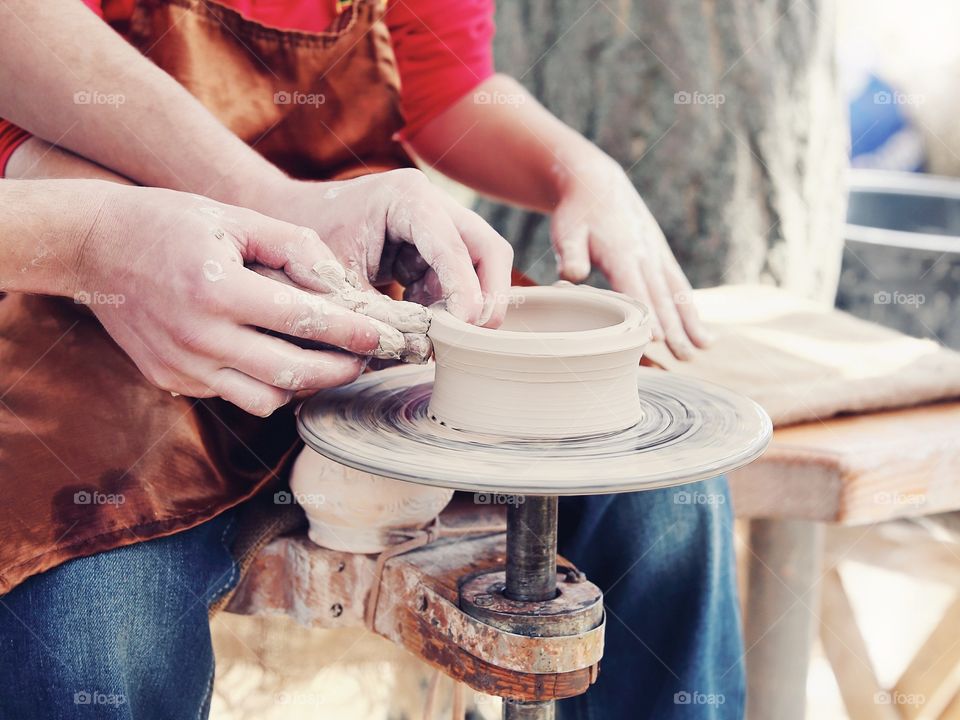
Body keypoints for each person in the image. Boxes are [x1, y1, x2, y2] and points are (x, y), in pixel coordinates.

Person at [0, 2, 739, 719]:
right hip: (106, 279)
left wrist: (578, 168)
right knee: (91, 620)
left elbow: (447, 85)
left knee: (667, 497)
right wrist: (234, 211)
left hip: (355, 250)